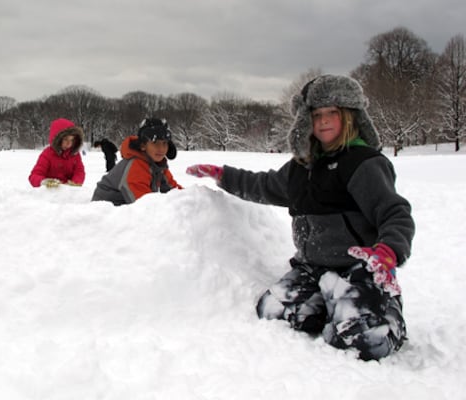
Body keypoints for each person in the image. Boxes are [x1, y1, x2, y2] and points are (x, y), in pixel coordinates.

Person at [186, 75, 415, 361]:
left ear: (350, 116)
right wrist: (223, 176)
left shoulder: (363, 163)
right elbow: (265, 185)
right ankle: (333, 303)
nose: (323, 121)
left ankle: (383, 306)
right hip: (313, 268)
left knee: (365, 341)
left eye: (333, 112)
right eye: (316, 115)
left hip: (358, 267)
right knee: (273, 311)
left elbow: (395, 212)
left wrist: (389, 250)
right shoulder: (300, 167)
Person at [92, 117, 181, 205]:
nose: (161, 149)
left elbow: (173, 189)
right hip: (107, 208)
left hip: (127, 205)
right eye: (155, 143)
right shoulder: (136, 166)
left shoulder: (159, 166)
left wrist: (188, 200)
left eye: (165, 143)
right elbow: (142, 204)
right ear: (143, 146)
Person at [28, 118, 86, 188]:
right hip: (50, 194)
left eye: (72, 140)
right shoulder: (47, 154)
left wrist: (75, 182)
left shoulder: (75, 154)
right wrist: (44, 182)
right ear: (57, 139)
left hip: (69, 193)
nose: (69, 143)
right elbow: (34, 175)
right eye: (65, 139)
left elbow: (79, 172)